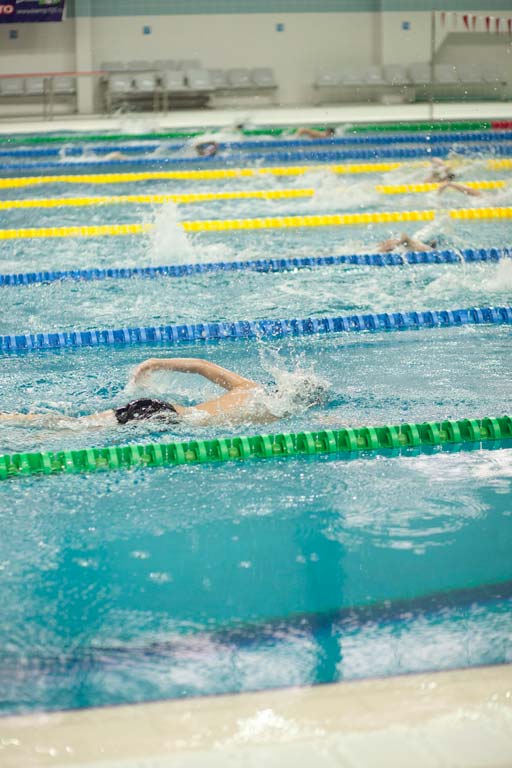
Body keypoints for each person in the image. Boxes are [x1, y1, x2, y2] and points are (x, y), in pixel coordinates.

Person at [0, 358, 281, 429]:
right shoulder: (274, 412)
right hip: (162, 417)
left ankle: (9, 419)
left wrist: (156, 363)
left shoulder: (249, 388)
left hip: (161, 409)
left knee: (74, 425)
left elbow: (201, 366)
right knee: (70, 429)